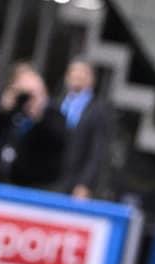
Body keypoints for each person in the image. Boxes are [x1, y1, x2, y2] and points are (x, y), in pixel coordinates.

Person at [0, 62, 65, 189]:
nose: (28, 97)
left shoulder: (53, 115)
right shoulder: (14, 111)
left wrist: (38, 111)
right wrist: (5, 109)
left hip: (34, 186)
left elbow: (55, 142)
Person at [56, 57, 108, 199]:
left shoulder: (98, 110)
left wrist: (85, 184)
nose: (77, 76)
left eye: (83, 72)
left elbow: (97, 151)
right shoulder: (57, 104)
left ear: (92, 79)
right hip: (51, 180)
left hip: (76, 183)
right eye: (74, 71)